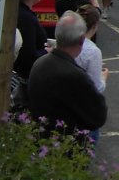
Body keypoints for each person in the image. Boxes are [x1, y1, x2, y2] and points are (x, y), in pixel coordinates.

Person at [27, 10, 108, 143]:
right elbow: (98, 116)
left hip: (40, 137)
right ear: (81, 40)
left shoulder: (40, 63)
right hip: (64, 144)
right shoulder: (75, 75)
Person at [12, 0, 48, 109]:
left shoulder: (18, 11)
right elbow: (28, 54)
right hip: (28, 78)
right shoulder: (26, 18)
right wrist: (48, 52)